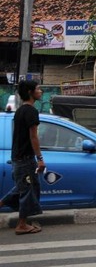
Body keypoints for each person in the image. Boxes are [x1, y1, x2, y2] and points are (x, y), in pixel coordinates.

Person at [0, 80, 45, 235]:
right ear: (31, 92)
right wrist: (40, 158)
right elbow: (33, 137)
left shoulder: (20, 111)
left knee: (21, 188)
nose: (41, 91)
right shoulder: (31, 111)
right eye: (38, 89)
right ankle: (22, 225)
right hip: (25, 158)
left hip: (18, 157)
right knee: (27, 190)